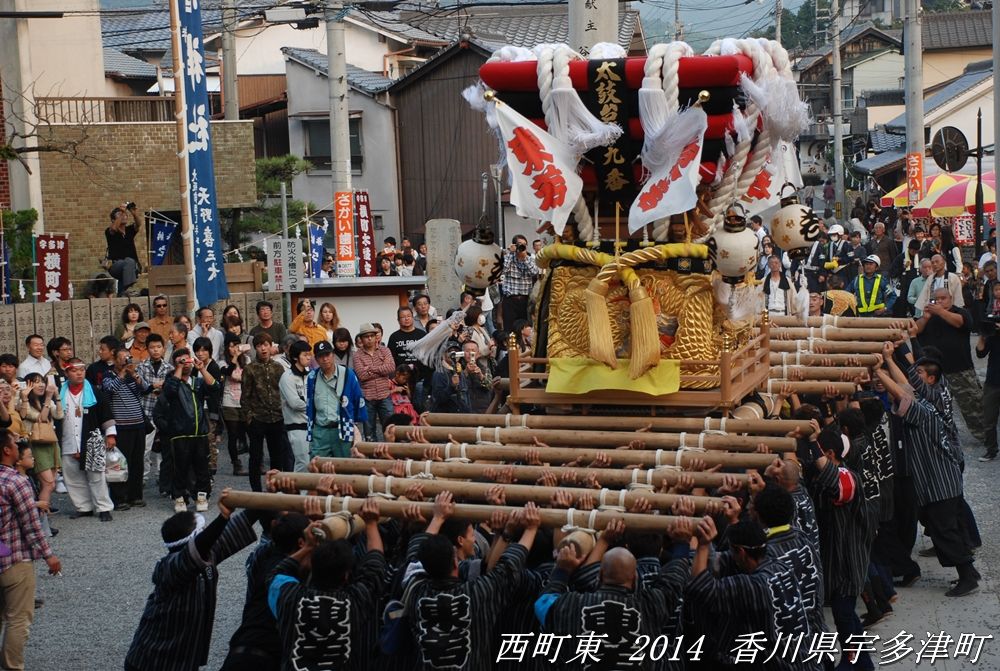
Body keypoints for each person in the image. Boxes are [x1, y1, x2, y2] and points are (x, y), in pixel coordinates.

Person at [875, 352, 979, 597]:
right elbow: (905, 388)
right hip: (944, 481)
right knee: (947, 528)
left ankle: (967, 575)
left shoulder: (923, 412)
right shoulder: (930, 401)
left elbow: (902, 393)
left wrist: (878, 371)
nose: (914, 381)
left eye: (920, 374)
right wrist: (888, 361)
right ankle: (970, 572)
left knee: (944, 531)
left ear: (931, 379)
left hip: (939, 483)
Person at [124, 491, 260, 671]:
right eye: (203, 532)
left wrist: (271, 495)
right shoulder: (169, 568)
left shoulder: (207, 554)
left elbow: (242, 522)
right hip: (151, 662)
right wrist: (222, 517)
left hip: (183, 660)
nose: (209, 535)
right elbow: (200, 546)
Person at [404, 496, 540, 671]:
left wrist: (437, 518)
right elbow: (506, 569)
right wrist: (529, 529)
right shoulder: (476, 593)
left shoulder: (415, 591)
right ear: (455, 562)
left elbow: (414, 560)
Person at [268, 498, 387, 671]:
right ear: (346, 575)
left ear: (312, 566)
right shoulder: (354, 601)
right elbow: (375, 565)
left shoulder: (290, 596)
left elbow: (277, 573)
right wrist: (371, 524)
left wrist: (308, 546)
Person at [0, 428, 61, 670]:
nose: (19, 445)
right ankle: (12, 666)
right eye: (15, 442)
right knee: (18, 619)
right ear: (7, 450)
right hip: (13, 558)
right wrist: (49, 555)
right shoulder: (16, 481)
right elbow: (31, 525)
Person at [220, 511, 310, 671]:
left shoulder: (263, 557)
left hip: (238, 653)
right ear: (302, 543)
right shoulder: (291, 576)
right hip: (263, 660)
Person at [914, 287, 986, 445]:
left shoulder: (960, 312)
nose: (939, 302)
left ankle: (987, 439)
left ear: (950, 298)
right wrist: (925, 318)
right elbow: (914, 331)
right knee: (934, 408)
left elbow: (961, 323)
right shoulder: (929, 315)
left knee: (973, 406)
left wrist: (940, 311)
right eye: (936, 299)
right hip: (935, 373)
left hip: (960, 370)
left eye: (943, 298)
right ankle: (938, 437)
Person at [155, 347, 219, 514]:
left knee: (202, 468)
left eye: (187, 360)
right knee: (180, 468)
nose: (186, 364)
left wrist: (202, 368)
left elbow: (214, 387)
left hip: (200, 432)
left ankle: (201, 496)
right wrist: (178, 368)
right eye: (181, 361)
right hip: (179, 433)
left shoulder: (197, 382)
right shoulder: (171, 382)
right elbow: (169, 392)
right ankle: (179, 498)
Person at [58, 358, 115, 523]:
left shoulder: (94, 391)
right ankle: (84, 507)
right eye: (75, 371)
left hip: (92, 437)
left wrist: (110, 434)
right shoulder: (60, 392)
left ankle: (104, 507)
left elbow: (106, 413)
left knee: (96, 475)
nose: (79, 373)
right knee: (73, 476)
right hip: (67, 439)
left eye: (82, 370)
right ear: (67, 373)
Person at [101, 344, 150, 510]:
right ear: (114, 360)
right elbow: (109, 390)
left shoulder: (133, 373)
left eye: (127, 357)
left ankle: (135, 496)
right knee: (120, 463)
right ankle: (120, 497)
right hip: (121, 426)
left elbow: (146, 388)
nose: (126, 361)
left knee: (137, 462)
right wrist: (121, 373)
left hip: (138, 424)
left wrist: (134, 374)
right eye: (122, 358)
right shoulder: (108, 374)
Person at [242, 333, 292, 491]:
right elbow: (245, 396)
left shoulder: (278, 367)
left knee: (277, 456)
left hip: (277, 417)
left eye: (266, 345)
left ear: (271, 346)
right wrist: (249, 418)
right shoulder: (250, 369)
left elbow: (283, 392)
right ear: (255, 348)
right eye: (259, 345)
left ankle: (275, 488)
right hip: (258, 418)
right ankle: (256, 490)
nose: (263, 348)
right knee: (255, 457)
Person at [306, 340, 366, 458]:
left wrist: (356, 424)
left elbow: (358, 398)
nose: (325, 359)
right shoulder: (312, 377)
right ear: (316, 359)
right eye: (320, 356)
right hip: (320, 429)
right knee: (317, 466)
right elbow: (310, 403)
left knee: (345, 467)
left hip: (343, 427)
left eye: (327, 355)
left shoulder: (348, 374)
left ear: (333, 355)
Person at [18, 373, 62, 520]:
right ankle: (41, 520)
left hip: (51, 443)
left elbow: (60, 415)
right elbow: (42, 418)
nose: (42, 385)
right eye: (36, 382)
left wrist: (56, 396)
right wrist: (49, 398)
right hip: (36, 445)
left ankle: (42, 518)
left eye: (42, 381)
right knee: (48, 484)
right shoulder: (24, 402)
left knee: (50, 484)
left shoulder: (45, 401)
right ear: (29, 385)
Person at [136, 333, 173, 490]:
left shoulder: (169, 368)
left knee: (163, 446)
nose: (155, 350)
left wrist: (161, 387)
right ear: (147, 349)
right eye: (152, 347)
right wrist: (154, 386)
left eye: (158, 347)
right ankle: (143, 476)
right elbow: (141, 388)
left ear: (164, 349)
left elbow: (171, 389)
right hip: (147, 411)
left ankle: (161, 475)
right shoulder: (142, 367)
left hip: (165, 413)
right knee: (145, 447)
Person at [353, 322, 396, 441]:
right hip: (368, 396)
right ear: (361, 339)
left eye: (372, 335)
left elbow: (391, 367)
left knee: (390, 428)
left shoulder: (385, 350)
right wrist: (381, 370)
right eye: (366, 336)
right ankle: (372, 457)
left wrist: (371, 369)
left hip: (385, 394)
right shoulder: (357, 355)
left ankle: (391, 454)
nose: (370, 338)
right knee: (369, 431)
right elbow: (361, 375)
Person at [219, 334, 250, 477]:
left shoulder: (247, 360)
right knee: (233, 434)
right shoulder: (222, 362)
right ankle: (236, 464)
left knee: (250, 432)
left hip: (245, 402)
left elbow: (249, 378)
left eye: (236, 345)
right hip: (229, 402)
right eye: (230, 346)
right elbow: (231, 374)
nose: (233, 349)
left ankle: (257, 460)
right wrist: (235, 358)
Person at [279, 341, 312, 472]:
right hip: (296, 426)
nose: (309, 357)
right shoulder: (287, 377)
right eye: (305, 355)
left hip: (311, 425)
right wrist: (314, 406)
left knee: (313, 462)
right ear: (295, 357)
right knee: (302, 463)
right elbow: (295, 403)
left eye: (309, 354)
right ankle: (299, 491)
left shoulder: (311, 375)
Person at [501, 234, 541, 328]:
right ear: (514, 245)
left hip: (525, 300)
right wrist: (511, 253)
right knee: (509, 329)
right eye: (519, 244)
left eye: (524, 245)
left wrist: (525, 258)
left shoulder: (530, 259)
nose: (522, 247)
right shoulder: (508, 257)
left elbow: (534, 272)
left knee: (524, 328)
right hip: (510, 300)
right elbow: (503, 270)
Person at [105, 201, 142, 296]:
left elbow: (138, 224)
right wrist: (122, 211)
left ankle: (122, 293)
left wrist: (134, 213)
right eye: (120, 215)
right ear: (113, 220)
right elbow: (113, 229)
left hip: (131, 266)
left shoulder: (129, 230)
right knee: (128, 261)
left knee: (129, 264)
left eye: (125, 214)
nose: (124, 216)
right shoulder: (110, 231)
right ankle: (130, 289)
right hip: (116, 265)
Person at [977, 317, 1000, 462]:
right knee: (989, 418)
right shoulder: (993, 335)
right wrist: (983, 335)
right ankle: (991, 450)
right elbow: (980, 353)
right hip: (993, 382)